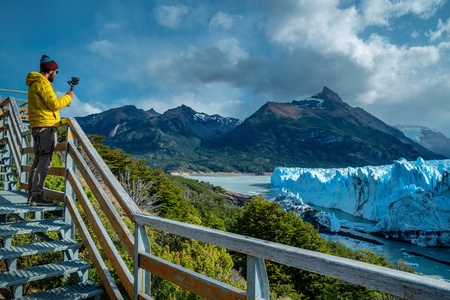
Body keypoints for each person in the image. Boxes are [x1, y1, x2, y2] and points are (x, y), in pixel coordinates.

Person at [25, 55, 72, 206]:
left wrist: (64, 101)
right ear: (50, 70)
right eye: (56, 71)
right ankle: (37, 197)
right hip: (46, 129)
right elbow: (53, 104)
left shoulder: (34, 83)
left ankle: (32, 194)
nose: (56, 74)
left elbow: (47, 105)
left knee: (38, 160)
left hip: (38, 126)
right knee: (45, 162)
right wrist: (67, 98)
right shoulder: (43, 83)